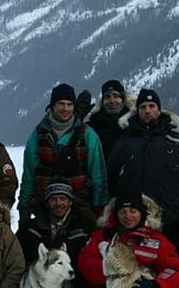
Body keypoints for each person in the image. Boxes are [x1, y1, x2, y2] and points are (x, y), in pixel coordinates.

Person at [107, 88, 179, 288]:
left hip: (173, 217)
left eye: (152, 106)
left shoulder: (176, 140)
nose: (148, 111)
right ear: (136, 110)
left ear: (160, 110)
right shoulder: (125, 142)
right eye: (143, 107)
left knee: (178, 265)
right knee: (140, 266)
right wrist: (112, 210)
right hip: (136, 219)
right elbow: (111, 178)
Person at [18, 83, 107, 228]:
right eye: (61, 104)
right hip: (45, 207)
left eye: (69, 104)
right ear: (52, 105)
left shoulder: (87, 135)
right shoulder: (37, 135)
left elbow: (98, 175)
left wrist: (100, 207)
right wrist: (24, 209)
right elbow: (29, 176)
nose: (66, 109)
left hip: (81, 207)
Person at [16, 177, 91, 271]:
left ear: (70, 202)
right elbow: (16, 260)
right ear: (47, 202)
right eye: (53, 199)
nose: (58, 203)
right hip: (33, 281)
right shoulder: (29, 228)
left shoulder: (82, 231)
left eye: (63, 198)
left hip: (68, 282)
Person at [85, 79, 132, 160]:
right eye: (107, 96)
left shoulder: (133, 123)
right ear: (102, 101)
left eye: (116, 96)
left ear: (123, 100)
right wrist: (77, 118)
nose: (112, 101)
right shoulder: (92, 126)